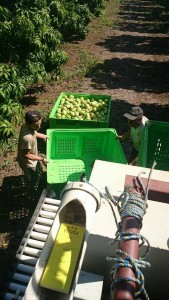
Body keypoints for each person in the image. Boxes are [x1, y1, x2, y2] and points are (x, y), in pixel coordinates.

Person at [17, 110, 49, 199]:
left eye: (40, 124)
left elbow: (34, 132)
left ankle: (39, 179)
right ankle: (32, 194)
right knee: (33, 180)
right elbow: (26, 155)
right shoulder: (27, 139)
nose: (39, 126)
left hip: (33, 158)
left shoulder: (26, 126)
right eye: (36, 126)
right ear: (30, 124)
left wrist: (42, 136)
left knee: (39, 170)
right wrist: (42, 159)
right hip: (29, 163)